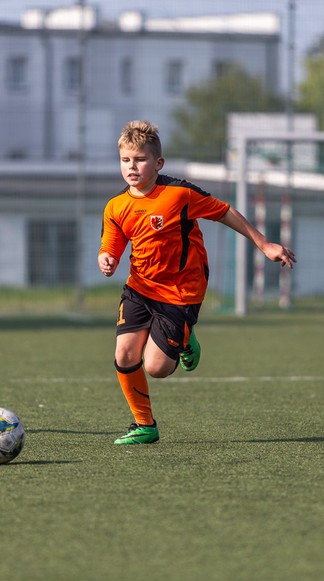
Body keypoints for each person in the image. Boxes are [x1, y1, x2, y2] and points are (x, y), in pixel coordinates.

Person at [98, 120, 296, 444]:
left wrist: (264, 244)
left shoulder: (179, 193)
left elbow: (225, 212)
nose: (132, 167)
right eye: (125, 160)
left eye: (140, 159)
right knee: (124, 355)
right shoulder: (116, 206)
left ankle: (187, 339)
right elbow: (112, 243)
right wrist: (106, 258)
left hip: (182, 290)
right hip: (140, 287)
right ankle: (144, 425)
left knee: (157, 368)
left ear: (158, 163)